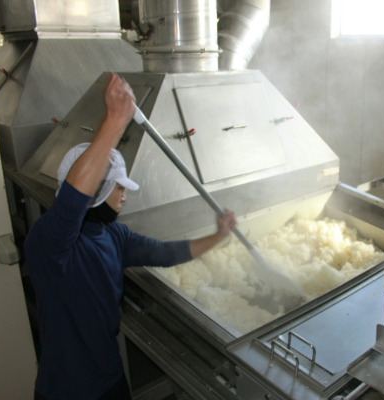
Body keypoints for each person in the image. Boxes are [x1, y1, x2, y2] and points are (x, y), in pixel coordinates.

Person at [24, 73, 237, 400]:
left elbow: (165, 254)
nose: (124, 197)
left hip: (110, 379)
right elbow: (72, 200)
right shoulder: (51, 241)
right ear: (100, 188)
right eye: (119, 188)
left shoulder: (114, 234)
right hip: (66, 389)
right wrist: (115, 121)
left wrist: (218, 236)